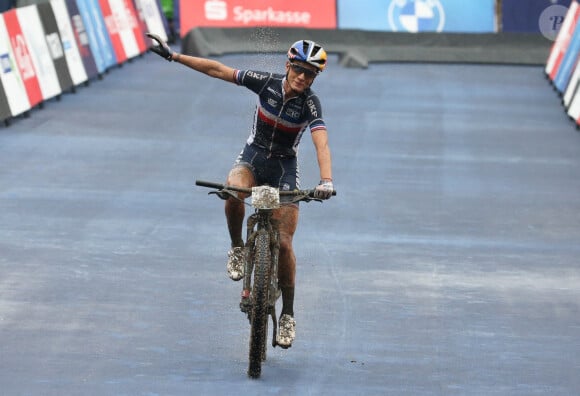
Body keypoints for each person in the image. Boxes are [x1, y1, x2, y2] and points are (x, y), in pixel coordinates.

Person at [147, 33, 334, 348]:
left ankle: (288, 314)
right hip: (253, 157)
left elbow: (321, 142)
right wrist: (175, 57)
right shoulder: (266, 83)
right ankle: (237, 247)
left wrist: (326, 180)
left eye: (310, 73)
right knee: (234, 190)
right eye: (299, 69)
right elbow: (218, 70)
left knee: (285, 244)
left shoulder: (311, 103)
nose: (303, 77)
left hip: (284, 169)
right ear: (288, 65)